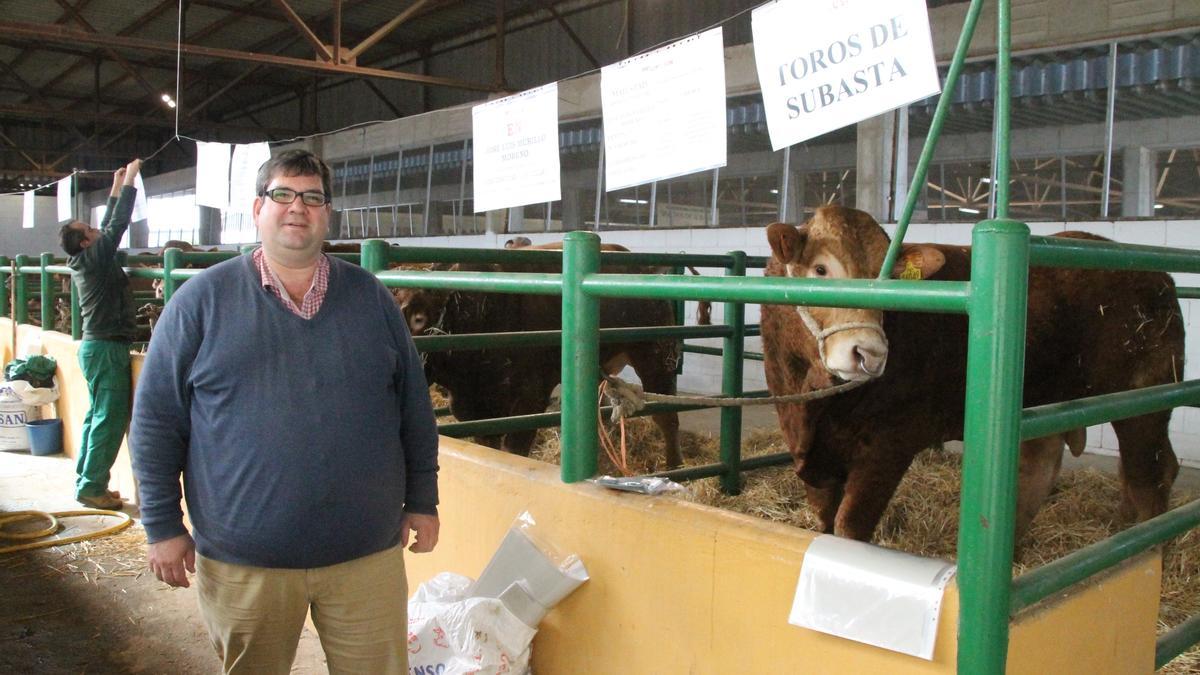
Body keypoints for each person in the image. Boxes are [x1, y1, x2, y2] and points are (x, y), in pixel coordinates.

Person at [129, 149, 440, 674]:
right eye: (283, 194)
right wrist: (162, 525)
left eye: (313, 197)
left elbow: (414, 408)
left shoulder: (372, 298)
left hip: (366, 555)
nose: (298, 207)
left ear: (327, 213)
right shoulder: (200, 302)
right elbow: (156, 421)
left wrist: (423, 498)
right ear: (257, 209)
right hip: (244, 560)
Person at [59, 158, 142, 511]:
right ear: (84, 243)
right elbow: (118, 225)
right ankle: (92, 486)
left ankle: (88, 482)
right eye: (89, 231)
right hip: (106, 349)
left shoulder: (89, 259)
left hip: (98, 347)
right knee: (110, 417)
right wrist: (131, 181)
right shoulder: (93, 260)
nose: (96, 231)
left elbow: (108, 225)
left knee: (98, 416)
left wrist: (115, 184)